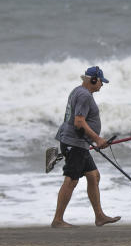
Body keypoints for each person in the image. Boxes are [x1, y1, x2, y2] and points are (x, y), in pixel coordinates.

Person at [51, 65, 121, 228]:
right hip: (74, 143)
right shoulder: (84, 95)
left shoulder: (78, 91)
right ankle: (58, 220)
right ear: (94, 80)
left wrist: (92, 139)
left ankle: (100, 217)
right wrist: (97, 139)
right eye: (101, 82)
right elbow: (79, 122)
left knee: (94, 176)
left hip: (78, 143)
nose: (102, 85)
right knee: (71, 180)